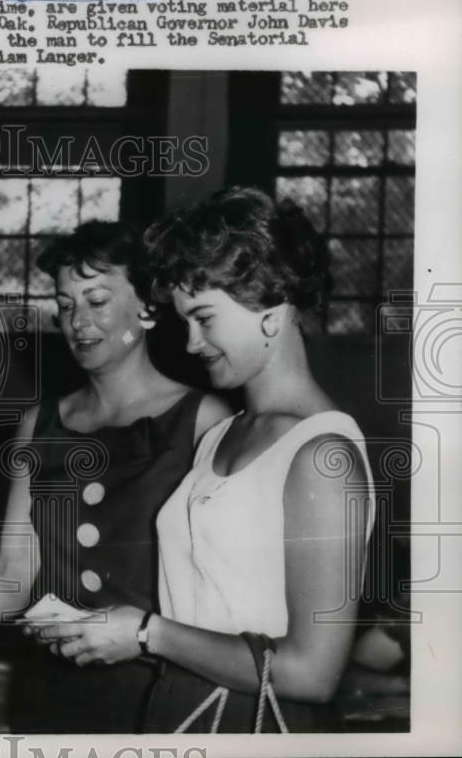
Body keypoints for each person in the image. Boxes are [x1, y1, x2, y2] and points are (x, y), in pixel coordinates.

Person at [0, 221, 230, 732]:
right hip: (50, 697)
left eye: (97, 300)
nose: (78, 320)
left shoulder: (205, 420)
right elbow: (11, 581)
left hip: (158, 697)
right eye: (65, 303)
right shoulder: (39, 423)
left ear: (146, 307)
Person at [34, 187, 376, 732]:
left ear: (272, 310)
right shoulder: (225, 435)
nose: (191, 343)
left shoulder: (320, 455)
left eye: (205, 318)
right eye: (183, 320)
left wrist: (148, 632)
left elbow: (312, 673)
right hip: (176, 711)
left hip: (256, 726)